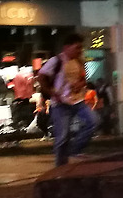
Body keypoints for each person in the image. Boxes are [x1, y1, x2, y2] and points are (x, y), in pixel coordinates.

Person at [37, 33, 99, 166]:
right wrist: (52, 93)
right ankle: (60, 167)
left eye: (81, 48)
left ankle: (74, 150)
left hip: (78, 101)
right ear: (67, 47)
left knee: (93, 121)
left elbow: (83, 79)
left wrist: (80, 84)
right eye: (77, 48)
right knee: (62, 137)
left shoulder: (79, 61)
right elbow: (41, 77)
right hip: (61, 104)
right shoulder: (56, 61)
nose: (79, 51)